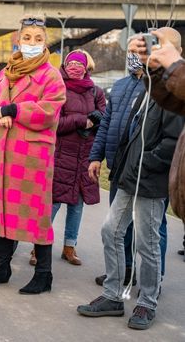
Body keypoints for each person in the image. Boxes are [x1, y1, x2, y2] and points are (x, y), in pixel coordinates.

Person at [77, 27, 185, 330]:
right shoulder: (150, 85)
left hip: (149, 181)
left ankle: (147, 302)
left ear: (174, 51)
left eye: (157, 44)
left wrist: (144, 165)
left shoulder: (177, 89)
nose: (149, 50)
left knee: (147, 243)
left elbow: (172, 142)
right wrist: (121, 164)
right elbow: (128, 130)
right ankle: (113, 294)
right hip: (129, 176)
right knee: (110, 231)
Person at [0, 15, 66, 294]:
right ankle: (1, 267)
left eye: (38, 39)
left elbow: (50, 110)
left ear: (45, 42)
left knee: (36, 214)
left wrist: (14, 110)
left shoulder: (51, 75)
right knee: (2, 210)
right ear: (18, 39)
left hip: (32, 156)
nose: (32, 43)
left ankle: (44, 274)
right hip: (3, 152)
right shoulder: (7, 71)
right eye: (27, 37)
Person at [88, 50, 147, 285]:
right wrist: (96, 157)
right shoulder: (120, 85)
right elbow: (106, 125)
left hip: (142, 169)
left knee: (146, 229)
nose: (134, 57)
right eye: (131, 52)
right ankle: (122, 270)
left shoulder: (157, 87)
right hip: (118, 165)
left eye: (139, 52)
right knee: (117, 226)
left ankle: (152, 279)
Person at [49, 50, 106, 266]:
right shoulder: (57, 88)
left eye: (79, 63)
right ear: (64, 65)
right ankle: (39, 247)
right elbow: (54, 123)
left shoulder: (96, 92)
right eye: (70, 63)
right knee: (53, 203)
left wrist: (97, 119)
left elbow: (105, 121)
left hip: (85, 156)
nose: (74, 66)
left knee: (77, 205)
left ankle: (69, 247)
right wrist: (82, 121)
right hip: (61, 155)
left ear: (86, 67)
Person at [139, 27, 185, 261]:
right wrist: (156, 69)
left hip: (153, 176)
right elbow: (173, 100)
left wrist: (175, 67)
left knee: (152, 236)